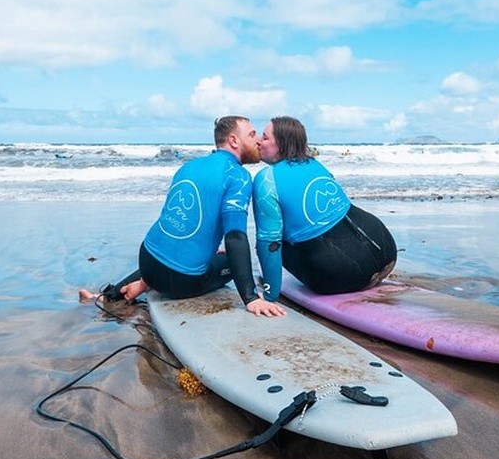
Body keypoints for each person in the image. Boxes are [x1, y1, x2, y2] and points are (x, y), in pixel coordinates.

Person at [79, 116, 286, 317]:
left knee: (175, 247)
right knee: (233, 262)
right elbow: (235, 237)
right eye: (252, 135)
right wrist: (250, 297)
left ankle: (110, 295)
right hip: (179, 281)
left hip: (147, 260)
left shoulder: (189, 166)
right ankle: (143, 285)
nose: (258, 140)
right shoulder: (238, 176)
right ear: (234, 140)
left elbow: (186, 222)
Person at [252, 116, 397, 302]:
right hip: (385, 248)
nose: (258, 141)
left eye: (264, 138)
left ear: (280, 144)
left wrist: (270, 294)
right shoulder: (315, 164)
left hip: (338, 274)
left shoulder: (266, 178)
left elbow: (270, 243)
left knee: (270, 239)